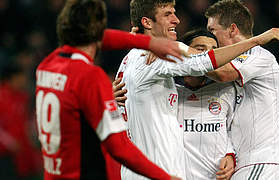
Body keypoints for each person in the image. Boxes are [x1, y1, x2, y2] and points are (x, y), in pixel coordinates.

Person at [115, 0, 279, 179]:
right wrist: (161, 45)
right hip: (156, 170)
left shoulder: (130, 61)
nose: (176, 20)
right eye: (168, 14)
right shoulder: (154, 59)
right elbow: (207, 65)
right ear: (147, 22)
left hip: (256, 162)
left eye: (213, 33)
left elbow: (222, 81)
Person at [35, 0, 183, 179]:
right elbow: (119, 148)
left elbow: (102, 39)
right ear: (98, 34)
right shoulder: (91, 78)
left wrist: (146, 42)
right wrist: (165, 177)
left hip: (53, 173)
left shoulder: (46, 66)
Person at [205, 0, 279, 179]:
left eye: (213, 30)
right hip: (247, 165)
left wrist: (177, 51)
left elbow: (222, 73)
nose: (211, 37)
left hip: (261, 163)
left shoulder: (257, 55)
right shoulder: (240, 67)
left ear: (232, 29)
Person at [176, 28, 236, 180]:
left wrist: (230, 155)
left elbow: (233, 130)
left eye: (213, 51)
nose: (208, 56)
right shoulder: (167, 90)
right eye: (200, 50)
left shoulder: (226, 90)